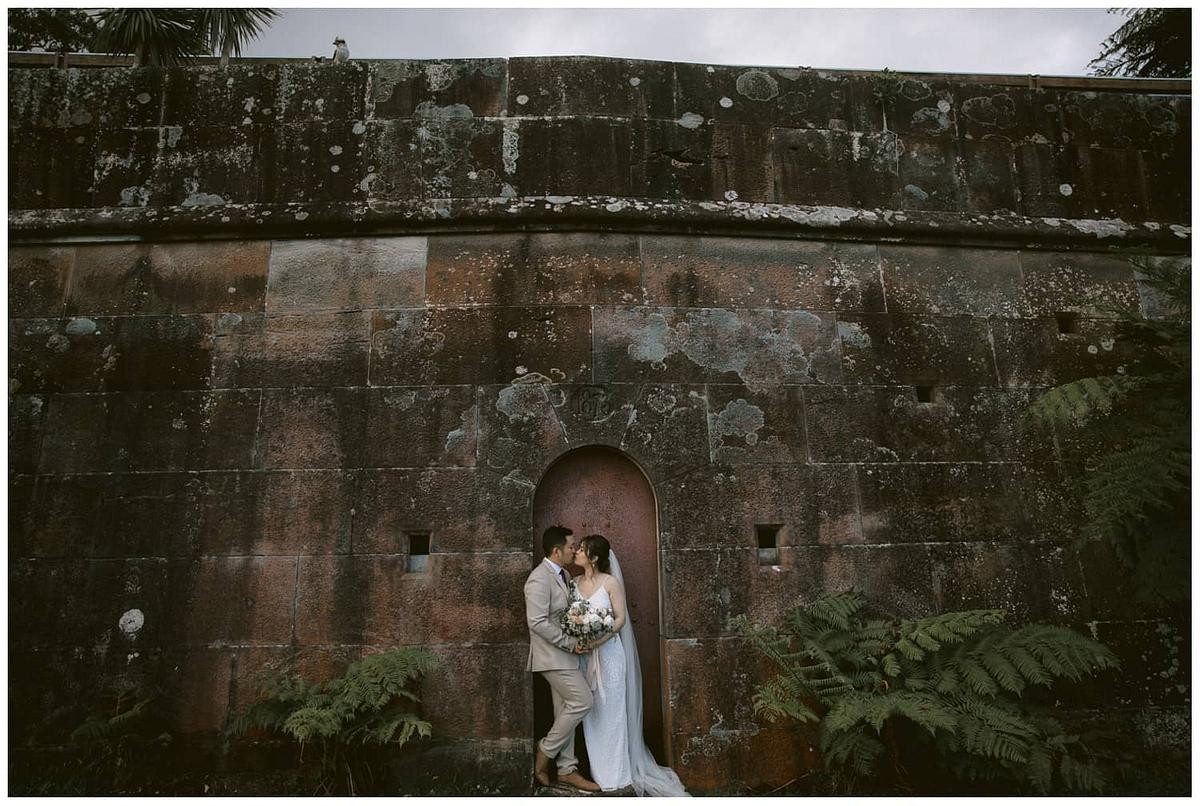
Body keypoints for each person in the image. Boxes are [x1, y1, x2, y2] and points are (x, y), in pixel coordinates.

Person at [572, 534, 690, 797]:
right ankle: (600, 774)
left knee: (613, 714)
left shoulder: (611, 582)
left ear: (594, 557)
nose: (576, 552)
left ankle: (619, 775)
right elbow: (571, 618)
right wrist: (580, 638)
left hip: (610, 656)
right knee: (592, 714)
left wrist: (598, 638)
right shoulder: (574, 583)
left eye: (581, 549)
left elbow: (620, 619)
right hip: (585, 657)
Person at [524, 525, 601, 793]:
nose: (573, 550)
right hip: (551, 657)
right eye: (570, 546)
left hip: (566, 656)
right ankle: (545, 750)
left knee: (565, 711)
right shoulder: (538, 578)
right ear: (556, 551)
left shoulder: (565, 574)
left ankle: (567, 769)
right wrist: (570, 642)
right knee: (583, 701)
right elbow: (537, 622)